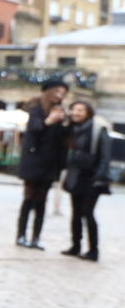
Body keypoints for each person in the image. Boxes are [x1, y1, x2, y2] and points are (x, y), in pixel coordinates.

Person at [15, 79, 70, 250]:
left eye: (62, 93)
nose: (59, 95)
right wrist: (50, 120)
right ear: (49, 91)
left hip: (50, 163)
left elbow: (62, 139)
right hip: (33, 161)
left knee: (42, 202)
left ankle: (36, 238)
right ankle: (21, 235)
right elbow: (34, 130)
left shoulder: (60, 112)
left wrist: (65, 123)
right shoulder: (36, 108)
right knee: (29, 199)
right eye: (57, 91)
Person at [59, 100, 111, 262]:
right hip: (76, 176)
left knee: (87, 213)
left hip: (92, 178)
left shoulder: (97, 130)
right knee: (75, 213)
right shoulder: (72, 129)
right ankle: (76, 246)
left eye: (80, 110)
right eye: (73, 109)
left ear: (88, 112)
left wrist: (99, 176)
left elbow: (105, 156)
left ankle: (93, 250)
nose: (76, 113)